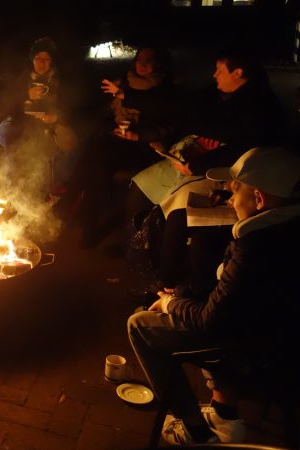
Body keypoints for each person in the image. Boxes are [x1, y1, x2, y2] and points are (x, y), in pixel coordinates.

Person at [128, 147, 300, 445]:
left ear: (259, 199)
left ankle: (195, 430)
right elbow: (230, 292)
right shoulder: (284, 226)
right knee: (190, 297)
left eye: (236, 193)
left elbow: (211, 320)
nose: (231, 200)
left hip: (257, 346)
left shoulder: (257, 246)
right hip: (273, 332)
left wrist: (171, 303)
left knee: (141, 325)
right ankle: (225, 414)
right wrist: (183, 295)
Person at [126, 48, 285, 294]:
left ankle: (165, 283)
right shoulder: (223, 95)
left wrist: (198, 165)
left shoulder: (259, 105)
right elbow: (181, 107)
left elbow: (243, 148)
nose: (214, 75)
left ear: (238, 73)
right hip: (208, 165)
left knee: (178, 212)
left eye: (220, 70)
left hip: (234, 177)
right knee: (152, 194)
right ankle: (152, 257)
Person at [64, 46, 178, 248]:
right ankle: (89, 227)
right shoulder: (125, 83)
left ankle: (71, 202)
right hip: (116, 145)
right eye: (139, 59)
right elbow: (104, 116)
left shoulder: (164, 90)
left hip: (144, 148)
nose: (142, 65)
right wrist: (112, 128)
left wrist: (138, 135)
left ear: (158, 64)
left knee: (98, 151)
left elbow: (166, 124)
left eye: (148, 61)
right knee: (99, 160)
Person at [0, 37, 79, 193]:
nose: (42, 63)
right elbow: (3, 107)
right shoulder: (22, 79)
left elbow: (71, 108)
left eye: (47, 59)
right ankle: (10, 190)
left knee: (70, 144)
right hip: (21, 122)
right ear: (32, 60)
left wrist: (56, 117)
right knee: (8, 137)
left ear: (52, 61)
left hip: (50, 125)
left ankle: (60, 190)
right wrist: (25, 95)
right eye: (38, 58)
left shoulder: (60, 81)